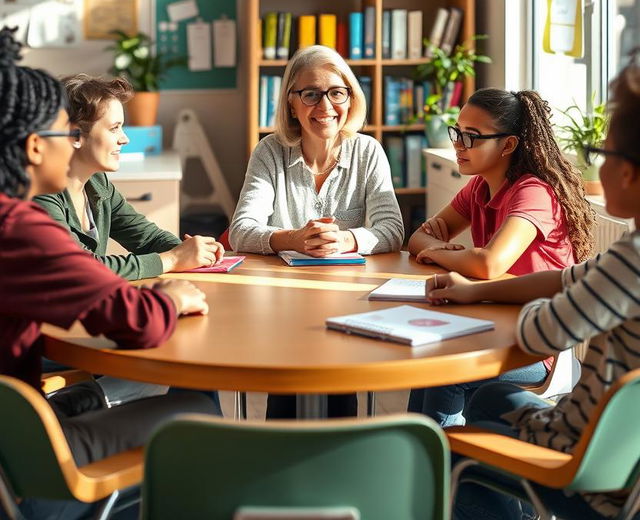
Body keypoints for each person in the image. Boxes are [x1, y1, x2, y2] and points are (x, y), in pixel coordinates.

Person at [0, 26, 219, 520]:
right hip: (23, 461)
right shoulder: (21, 227)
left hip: (20, 422)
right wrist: (174, 294)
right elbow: (136, 320)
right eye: (65, 132)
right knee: (199, 408)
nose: (71, 141)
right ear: (37, 146)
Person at [430, 56, 640, 520]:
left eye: (601, 155)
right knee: (487, 399)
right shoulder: (624, 262)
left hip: (590, 464)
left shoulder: (630, 264)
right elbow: (567, 279)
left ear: (628, 172)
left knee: (456, 446)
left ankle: (422, 478)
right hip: (625, 457)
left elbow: (538, 335)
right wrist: (474, 292)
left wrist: (481, 288)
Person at [229, 44, 404, 417]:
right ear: (292, 103)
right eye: (311, 94)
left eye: (336, 92)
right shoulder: (270, 152)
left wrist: (348, 239)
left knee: (340, 397)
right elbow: (241, 230)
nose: (325, 106)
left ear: (350, 98)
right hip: (284, 307)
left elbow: (392, 228)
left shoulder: (368, 151)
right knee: (287, 400)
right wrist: (290, 239)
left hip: (352, 304)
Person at [407, 88, 595, 426]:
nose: (458, 144)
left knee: (446, 372)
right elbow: (418, 239)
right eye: (458, 132)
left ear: (507, 145)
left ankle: (439, 471)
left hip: (537, 345)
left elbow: (489, 263)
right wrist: (436, 248)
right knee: (427, 365)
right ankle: (418, 466)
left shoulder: (533, 192)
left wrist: (440, 251)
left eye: (472, 137)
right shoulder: (479, 186)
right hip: (493, 324)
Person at [35, 74, 224, 280]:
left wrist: (190, 250)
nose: (124, 139)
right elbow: (79, 269)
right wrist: (173, 259)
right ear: (76, 136)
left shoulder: (98, 184)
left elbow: (146, 237)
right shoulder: (41, 194)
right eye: (114, 128)